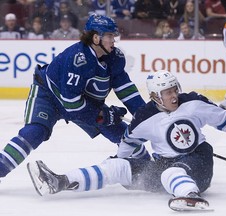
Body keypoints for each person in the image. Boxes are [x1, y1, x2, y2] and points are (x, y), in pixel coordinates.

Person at [27, 70, 226, 211]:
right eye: (166, 92)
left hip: (198, 163)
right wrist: (125, 161)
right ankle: (60, 181)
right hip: (162, 167)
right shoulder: (144, 118)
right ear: (154, 96)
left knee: (169, 172)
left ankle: (190, 196)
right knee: (117, 165)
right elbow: (128, 143)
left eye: (174, 89)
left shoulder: (193, 103)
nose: (173, 95)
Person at [0, 14, 148, 179]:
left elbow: (126, 89)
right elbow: (71, 104)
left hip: (83, 102)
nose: (114, 40)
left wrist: (146, 114)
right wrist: (102, 115)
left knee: (124, 135)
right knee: (34, 132)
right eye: (110, 36)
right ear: (96, 38)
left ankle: (150, 169)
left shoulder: (115, 57)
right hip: (49, 95)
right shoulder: (77, 58)